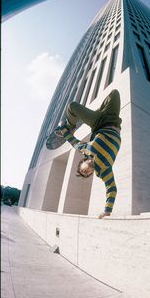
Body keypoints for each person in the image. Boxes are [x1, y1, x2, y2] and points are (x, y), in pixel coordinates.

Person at [55, 89, 122, 219]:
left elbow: (73, 142)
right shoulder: (103, 171)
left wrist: (64, 130)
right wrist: (107, 211)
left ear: (84, 162)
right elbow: (112, 189)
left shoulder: (85, 149)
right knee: (116, 94)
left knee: (72, 106)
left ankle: (70, 125)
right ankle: (96, 112)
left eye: (83, 171)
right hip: (112, 121)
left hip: (97, 123)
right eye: (87, 174)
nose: (86, 173)